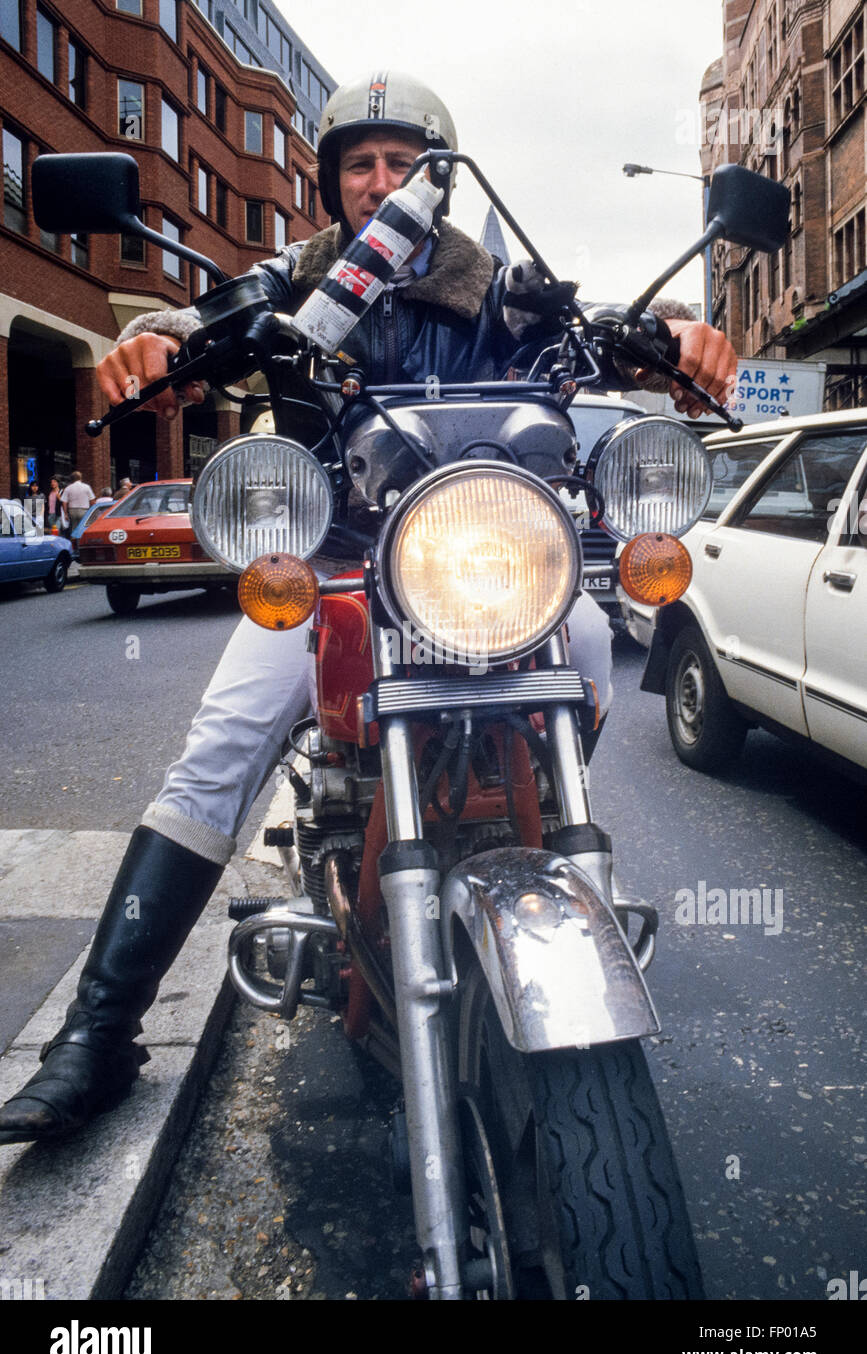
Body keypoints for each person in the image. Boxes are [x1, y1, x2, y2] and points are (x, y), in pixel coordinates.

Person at [0, 72, 737, 1145]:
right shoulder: (294, 282)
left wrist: (677, 331)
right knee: (220, 746)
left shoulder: (497, 286)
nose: (381, 181)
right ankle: (99, 1031)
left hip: (475, 560)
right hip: (337, 563)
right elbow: (196, 314)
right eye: (360, 163)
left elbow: (603, 319)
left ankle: (542, 839)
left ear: (437, 180)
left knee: (584, 636)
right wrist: (153, 339)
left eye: (404, 163)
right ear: (332, 180)